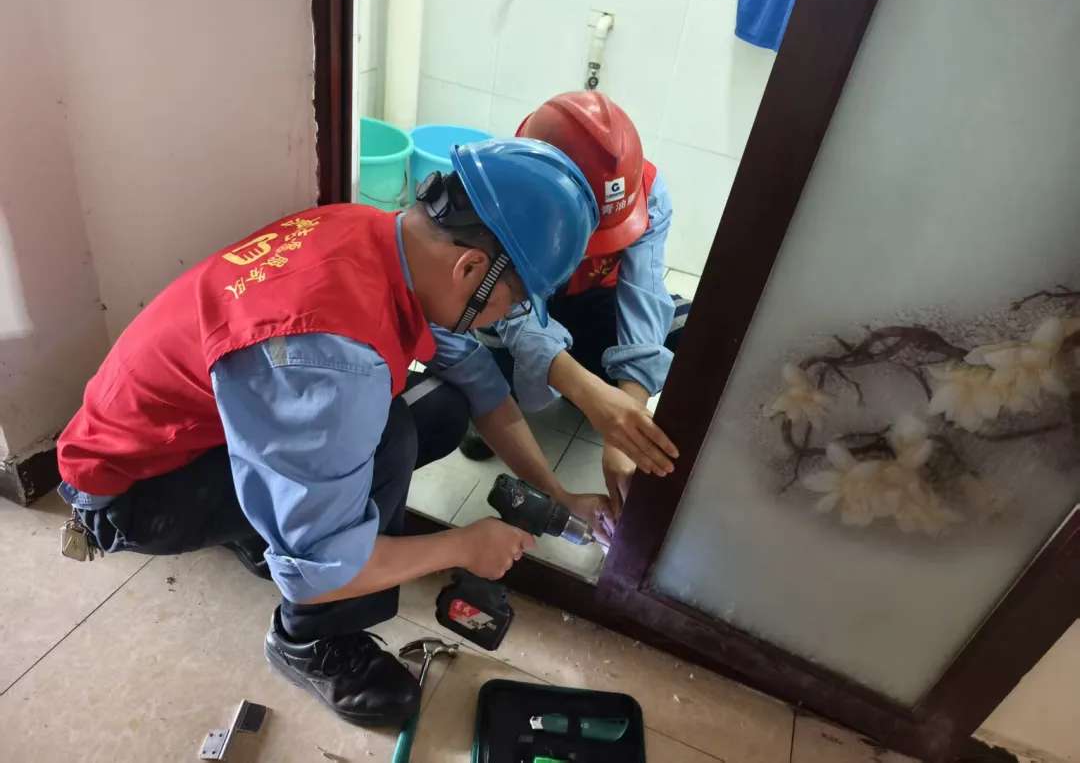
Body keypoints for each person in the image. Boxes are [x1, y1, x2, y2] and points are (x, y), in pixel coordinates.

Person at [55, 138, 602, 728]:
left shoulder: (372, 234)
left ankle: (268, 524)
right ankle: (309, 642)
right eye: (513, 305)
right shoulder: (334, 359)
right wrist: (464, 547)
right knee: (388, 438)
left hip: (190, 432)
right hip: (134, 493)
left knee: (442, 408)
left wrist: (558, 495)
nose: (503, 320)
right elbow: (324, 569)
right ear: (470, 268)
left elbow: (479, 382)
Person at [461, 92, 688, 522]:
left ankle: (600, 394)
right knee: (483, 320)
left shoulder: (646, 192)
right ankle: (490, 407)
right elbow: (513, 316)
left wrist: (625, 424)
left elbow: (643, 294)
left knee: (686, 326)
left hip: (592, 300)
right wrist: (588, 393)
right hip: (523, 304)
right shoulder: (501, 189)